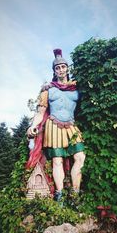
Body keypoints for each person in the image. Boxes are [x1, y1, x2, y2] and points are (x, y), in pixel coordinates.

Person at [27, 49, 85, 201]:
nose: (60, 70)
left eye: (63, 67)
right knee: (57, 160)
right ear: (54, 71)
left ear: (67, 68)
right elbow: (40, 113)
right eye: (57, 68)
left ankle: (75, 194)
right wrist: (33, 126)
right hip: (53, 126)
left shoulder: (77, 88)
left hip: (71, 126)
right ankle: (59, 196)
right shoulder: (48, 90)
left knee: (80, 157)